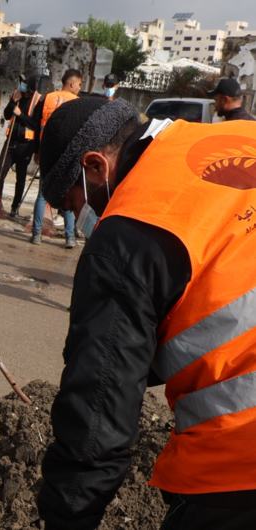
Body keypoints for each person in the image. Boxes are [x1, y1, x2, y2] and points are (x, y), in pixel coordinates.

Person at [35, 96, 256, 529]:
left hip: (239, 459)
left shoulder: (127, 233)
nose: (82, 218)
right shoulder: (239, 135)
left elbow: (97, 419)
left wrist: (67, 517)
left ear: (95, 166)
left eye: (74, 204)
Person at [29, 68, 82, 247]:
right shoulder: (78, 103)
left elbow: (35, 126)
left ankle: (36, 235)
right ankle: (70, 237)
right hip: (68, 155)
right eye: (79, 84)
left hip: (47, 153)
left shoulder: (47, 98)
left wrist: (37, 151)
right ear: (71, 83)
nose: (79, 88)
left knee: (43, 195)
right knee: (67, 194)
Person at [0, 75, 42, 220]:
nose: (22, 87)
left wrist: (20, 114)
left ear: (31, 87)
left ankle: (14, 207)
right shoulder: (17, 95)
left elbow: (35, 124)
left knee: (20, 178)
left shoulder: (38, 100)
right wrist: (12, 102)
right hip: (11, 142)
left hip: (26, 145)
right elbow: (7, 115)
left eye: (24, 85)